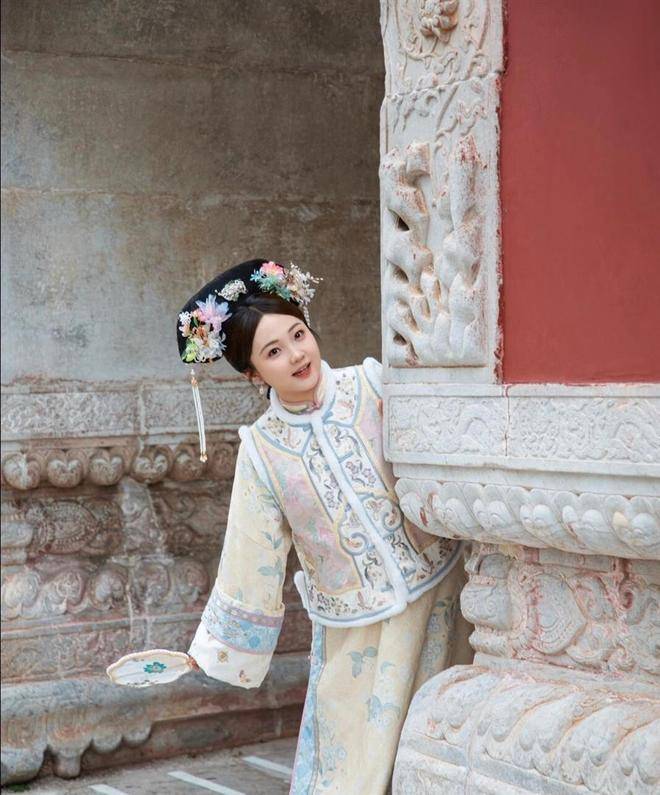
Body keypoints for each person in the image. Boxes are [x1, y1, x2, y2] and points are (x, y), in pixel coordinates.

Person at [108, 258, 468, 794]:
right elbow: (251, 554)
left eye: (298, 335)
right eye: (274, 351)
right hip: (358, 631)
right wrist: (210, 652)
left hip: (445, 597)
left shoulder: (373, 385)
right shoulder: (262, 450)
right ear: (253, 374)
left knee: (452, 751)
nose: (297, 355)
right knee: (355, 774)